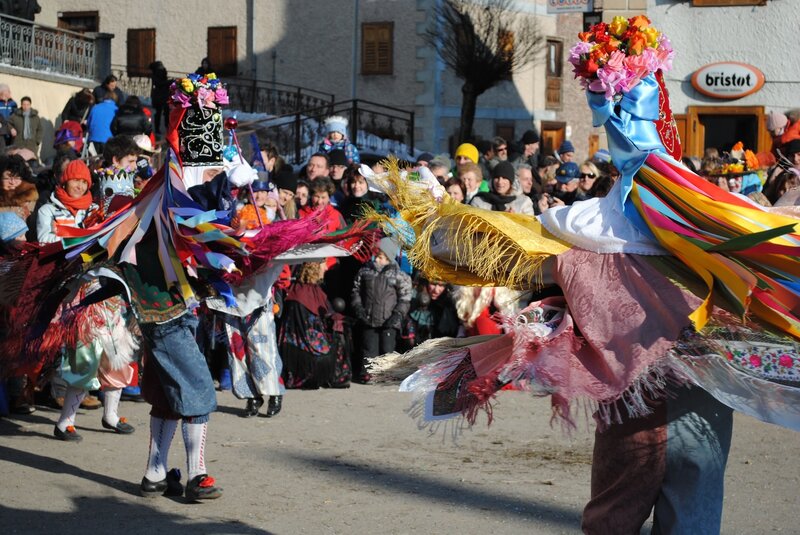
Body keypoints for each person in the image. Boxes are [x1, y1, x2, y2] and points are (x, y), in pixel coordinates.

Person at [351, 238, 412, 383]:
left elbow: (405, 297)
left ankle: (388, 373)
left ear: (390, 258)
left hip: (389, 318)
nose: (379, 260)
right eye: (377, 256)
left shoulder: (398, 274)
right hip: (369, 316)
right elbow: (356, 291)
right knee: (369, 346)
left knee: (387, 347)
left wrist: (398, 314)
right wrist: (358, 307)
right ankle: (369, 373)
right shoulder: (365, 271)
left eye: (383, 257)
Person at [279, 261, 341, 389]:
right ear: (314, 267)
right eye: (322, 264)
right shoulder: (301, 294)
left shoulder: (311, 290)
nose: (325, 268)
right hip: (303, 348)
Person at [470, 161, 534, 214]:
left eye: (504, 178)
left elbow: (529, 227)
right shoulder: (479, 201)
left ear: (511, 182)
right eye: (497, 178)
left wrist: (515, 220)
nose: (500, 182)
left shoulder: (523, 203)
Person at [149, 61, 171, 135]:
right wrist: (169, 82)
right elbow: (159, 84)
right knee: (159, 113)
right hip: (159, 97)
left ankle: (166, 128)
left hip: (163, 96)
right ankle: (159, 129)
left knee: (165, 113)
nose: (161, 68)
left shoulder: (160, 74)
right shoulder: (155, 75)